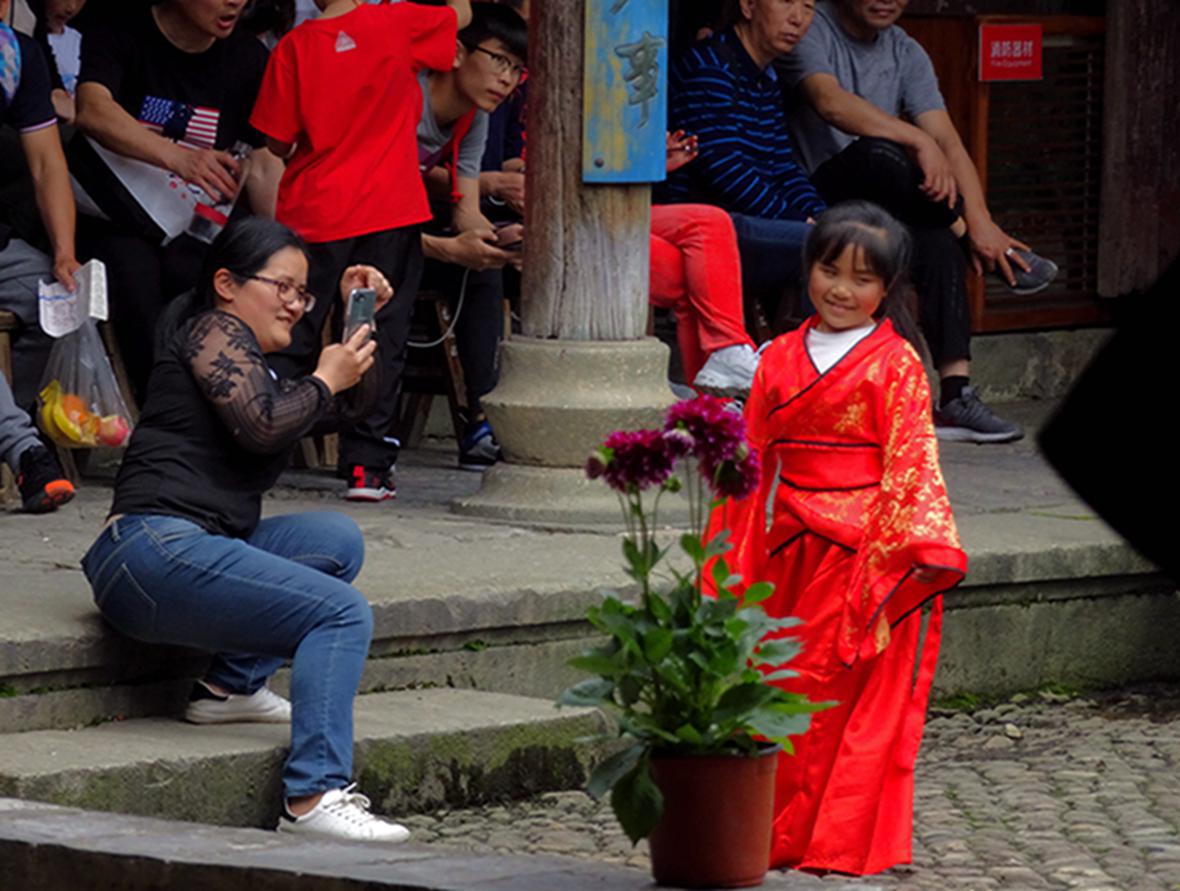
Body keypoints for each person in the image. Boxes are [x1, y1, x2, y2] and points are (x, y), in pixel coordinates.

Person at [80, 216, 408, 843]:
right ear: (227, 284)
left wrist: (355, 322)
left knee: (336, 540)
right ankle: (312, 798)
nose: (295, 304)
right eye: (282, 286)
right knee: (340, 613)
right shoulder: (211, 330)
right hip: (148, 549)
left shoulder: (258, 365)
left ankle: (227, 689)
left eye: (303, 293)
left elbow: (348, 406)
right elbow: (264, 424)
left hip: (192, 547)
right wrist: (323, 376)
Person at [713, 202, 967, 874]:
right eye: (830, 270)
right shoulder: (777, 357)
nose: (841, 290)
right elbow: (749, 460)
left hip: (865, 555)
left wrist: (907, 554)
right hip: (788, 548)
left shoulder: (898, 363)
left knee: (840, 700)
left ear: (888, 287)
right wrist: (729, 555)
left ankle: (838, 839)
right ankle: (770, 832)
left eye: (862, 278)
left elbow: (912, 461)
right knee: (777, 683)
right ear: (809, 269)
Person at [777, 0, 1051, 442]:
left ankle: (956, 395)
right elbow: (830, 102)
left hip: (883, 205)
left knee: (937, 242)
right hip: (815, 197)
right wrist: (918, 140)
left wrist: (981, 218)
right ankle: (965, 235)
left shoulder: (905, 50)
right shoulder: (813, 27)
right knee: (880, 154)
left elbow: (948, 140)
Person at [250, 0, 473, 501]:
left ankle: (263, 449)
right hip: (388, 208)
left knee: (292, 327)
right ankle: (366, 468)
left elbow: (276, 142)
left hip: (315, 209)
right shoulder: (395, 22)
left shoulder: (293, 47)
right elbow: (461, 14)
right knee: (377, 332)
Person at [70, 0, 273, 400]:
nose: (235, 2)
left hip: (203, 218)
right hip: (119, 214)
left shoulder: (248, 57)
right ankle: (164, 411)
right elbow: (92, 110)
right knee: (137, 281)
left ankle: (244, 403)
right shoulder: (120, 29)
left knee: (237, 276)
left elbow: (264, 160)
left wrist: (282, 244)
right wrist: (179, 158)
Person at [663, 0, 823, 328]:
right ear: (749, 6)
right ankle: (810, 356)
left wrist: (821, 216)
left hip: (747, 219)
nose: (798, 18)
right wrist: (799, 221)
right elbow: (724, 170)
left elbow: (782, 165)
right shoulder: (710, 67)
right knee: (822, 246)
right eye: (785, 2)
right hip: (707, 223)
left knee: (847, 235)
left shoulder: (766, 77)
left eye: (808, 7)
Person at [416, 1, 525, 471]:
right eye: (499, 60)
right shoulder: (407, 99)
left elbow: (466, 211)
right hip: (361, 229)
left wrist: (501, 241)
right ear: (458, 52)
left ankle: (482, 421)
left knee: (485, 268)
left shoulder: (474, 116)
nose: (507, 79)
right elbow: (376, 216)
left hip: (406, 229)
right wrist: (447, 248)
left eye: (516, 69)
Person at [654, 130, 760, 397]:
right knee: (697, 264)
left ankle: (724, 360)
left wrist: (651, 164)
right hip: (567, 221)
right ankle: (715, 398)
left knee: (709, 232)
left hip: (612, 205)